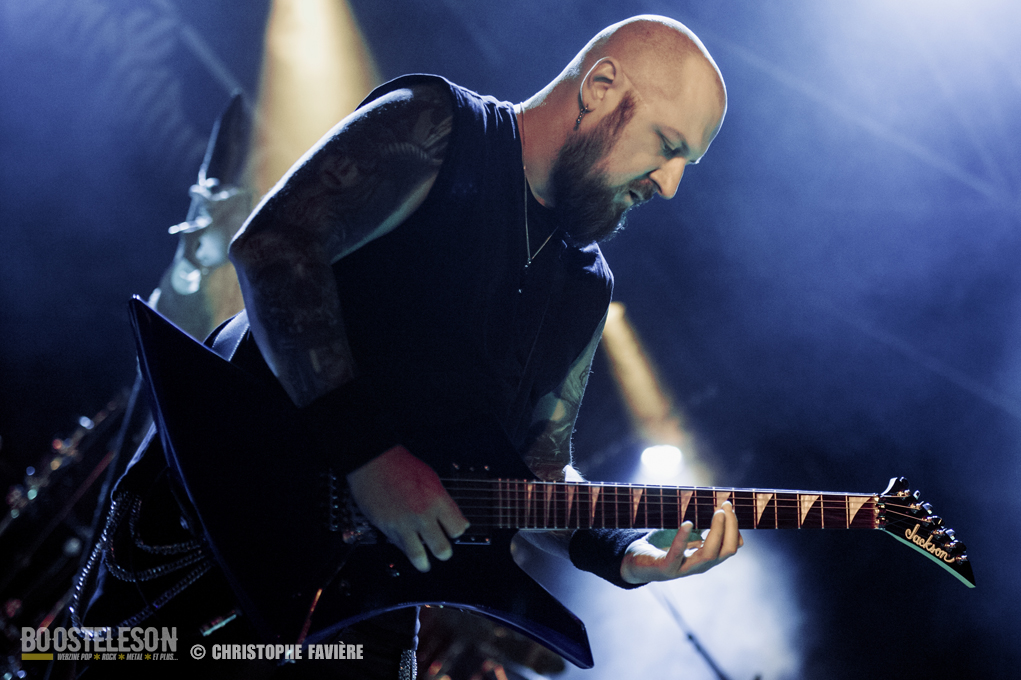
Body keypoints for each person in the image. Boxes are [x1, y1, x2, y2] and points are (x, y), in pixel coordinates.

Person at [76, 14, 741, 680]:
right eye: (667, 145)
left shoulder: (584, 286)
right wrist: (368, 454)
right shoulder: (443, 130)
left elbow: (537, 470)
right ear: (599, 86)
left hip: (364, 610)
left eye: (686, 163)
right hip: (219, 537)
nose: (669, 184)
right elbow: (276, 246)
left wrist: (622, 552)